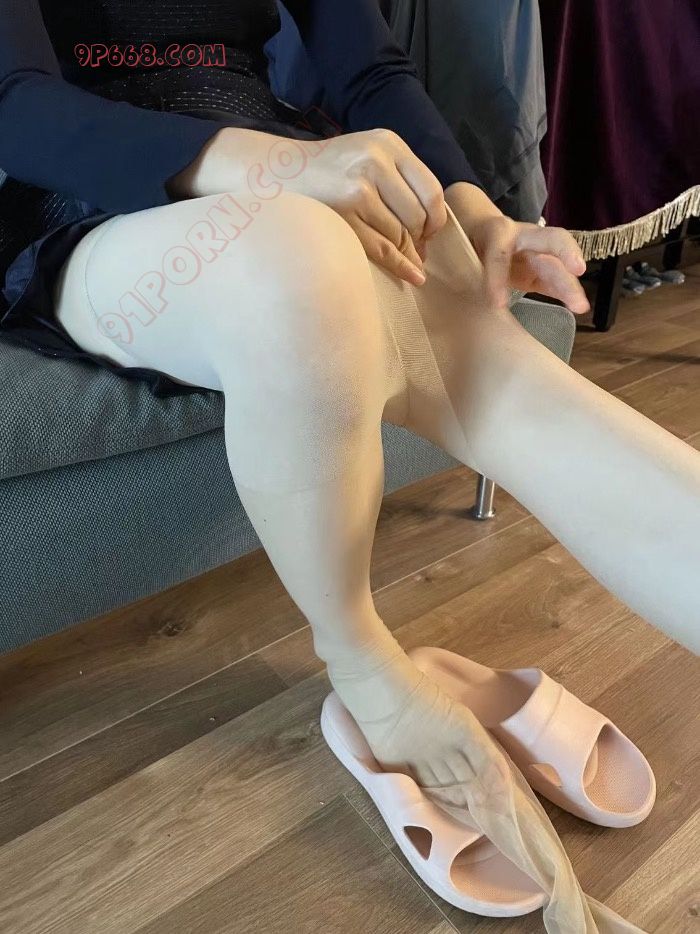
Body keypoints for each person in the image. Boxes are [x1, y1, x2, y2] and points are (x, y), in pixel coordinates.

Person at [1, 2, 698, 929]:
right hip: (102, 203)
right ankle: (364, 667)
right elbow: (15, 103)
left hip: (302, 186)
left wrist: (471, 207)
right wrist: (283, 168)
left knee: (500, 370)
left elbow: (370, 72)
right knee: (294, 258)